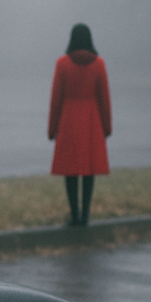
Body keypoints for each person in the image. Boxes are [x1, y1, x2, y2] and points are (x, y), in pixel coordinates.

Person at [48, 23, 112, 226]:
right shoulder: (99, 64)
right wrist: (107, 128)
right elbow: (104, 98)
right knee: (89, 170)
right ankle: (85, 215)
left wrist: (52, 129)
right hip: (92, 121)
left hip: (69, 120)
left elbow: (56, 99)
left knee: (71, 170)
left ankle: (74, 214)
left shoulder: (63, 64)